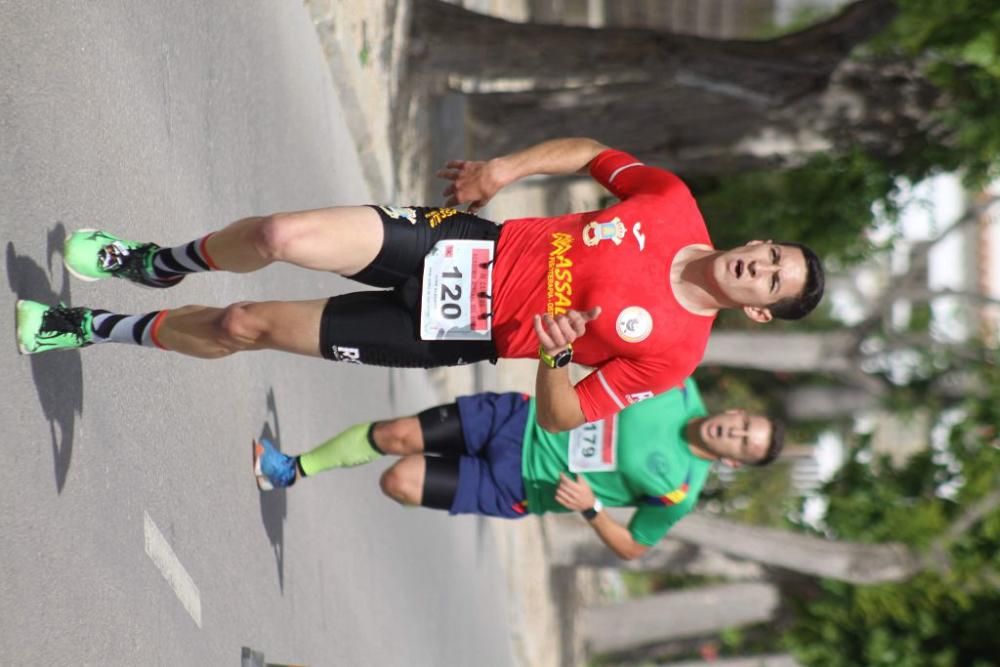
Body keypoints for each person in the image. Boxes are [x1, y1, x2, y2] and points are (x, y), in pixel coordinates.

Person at [16, 137, 824, 429]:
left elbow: (566, 416)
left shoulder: (678, 354)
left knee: (243, 326)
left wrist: (550, 360)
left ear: (758, 307)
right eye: (772, 253)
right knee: (278, 236)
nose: (761, 264)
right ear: (757, 242)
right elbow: (591, 154)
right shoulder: (672, 202)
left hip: (448, 330)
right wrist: (506, 167)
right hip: (460, 245)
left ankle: (88, 328)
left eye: (772, 281)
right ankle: (158, 262)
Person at [252, 378, 782, 560]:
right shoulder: (676, 385)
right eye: (743, 425)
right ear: (736, 412)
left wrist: (594, 510)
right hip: (518, 419)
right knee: (396, 434)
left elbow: (636, 548)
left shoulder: (681, 491)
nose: (733, 433)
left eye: (743, 445)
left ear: (735, 460)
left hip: (521, 485)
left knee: (399, 480)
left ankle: (317, 466)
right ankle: (291, 468)